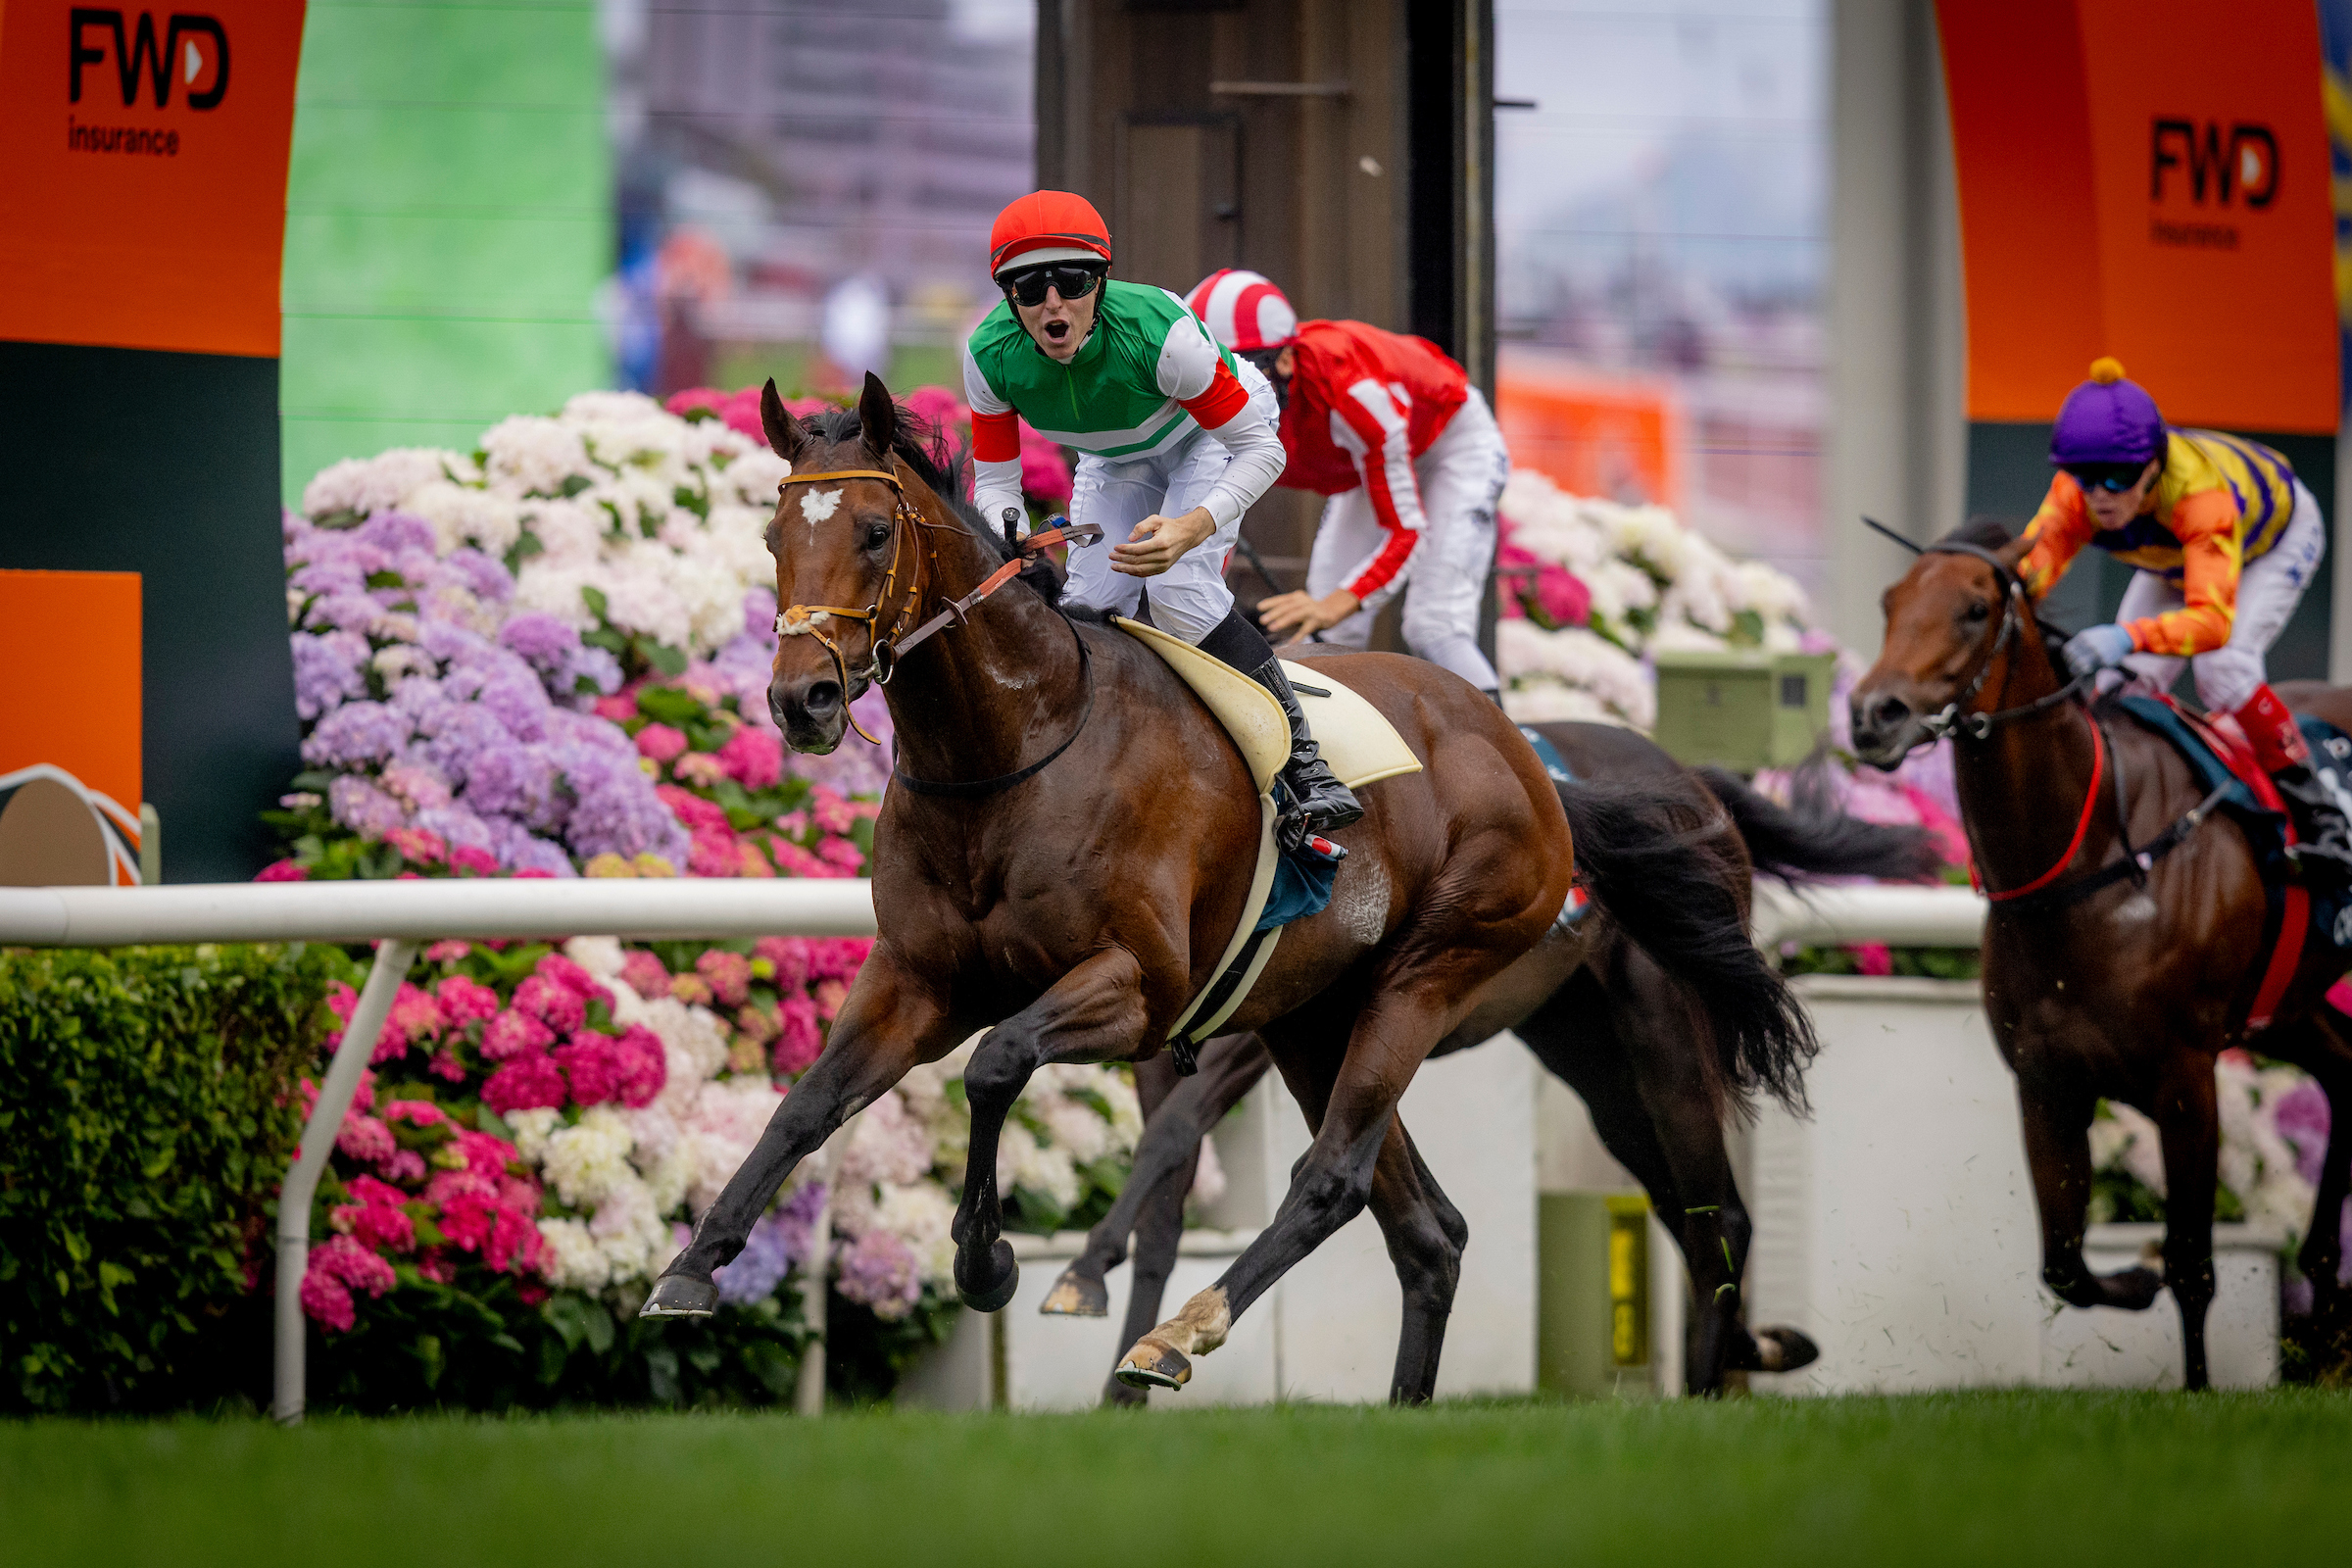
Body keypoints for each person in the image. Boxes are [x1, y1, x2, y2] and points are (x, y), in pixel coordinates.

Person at [962, 193, 1361, 836]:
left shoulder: (1162, 336)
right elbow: (997, 485)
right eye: (1031, 287)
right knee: (1089, 607)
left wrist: (1192, 526)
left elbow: (1263, 450)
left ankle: (1306, 767)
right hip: (1117, 459)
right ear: (1008, 296)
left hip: (1210, 436)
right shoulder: (988, 355)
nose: (1054, 304)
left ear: (1102, 282)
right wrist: (1010, 535)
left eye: (1073, 280)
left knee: (1177, 589)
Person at [2023, 357, 2352, 870]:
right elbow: (2029, 576)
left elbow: (2211, 623)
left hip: (2271, 542)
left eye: (2118, 477)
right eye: (2085, 477)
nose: (2100, 495)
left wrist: (2124, 635)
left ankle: (2322, 815)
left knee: (2225, 668)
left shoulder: (2200, 497)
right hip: (2178, 558)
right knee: (2120, 686)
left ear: (2154, 464)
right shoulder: (2076, 496)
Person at [1184, 268, 1510, 698]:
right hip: (1368, 457)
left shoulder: (1353, 393)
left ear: (1285, 359)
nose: (1234, 389)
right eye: (1219, 372)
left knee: (1434, 625)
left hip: (1450, 442)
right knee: (1323, 639)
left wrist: (1340, 601)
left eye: (1247, 370)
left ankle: (1521, 758)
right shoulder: (1217, 393)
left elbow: (1406, 531)